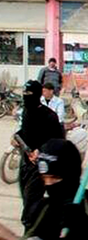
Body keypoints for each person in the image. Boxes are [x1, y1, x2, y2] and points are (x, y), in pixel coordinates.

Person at [14, 80, 64, 227]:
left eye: (29, 94)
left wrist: (41, 150)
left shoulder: (49, 116)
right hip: (25, 165)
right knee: (27, 202)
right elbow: (25, 132)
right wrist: (16, 137)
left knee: (30, 207)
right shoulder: (27, 112)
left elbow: (59, 142)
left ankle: (29, 235)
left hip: (40, 168)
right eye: (24, 94)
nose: (26, 98)